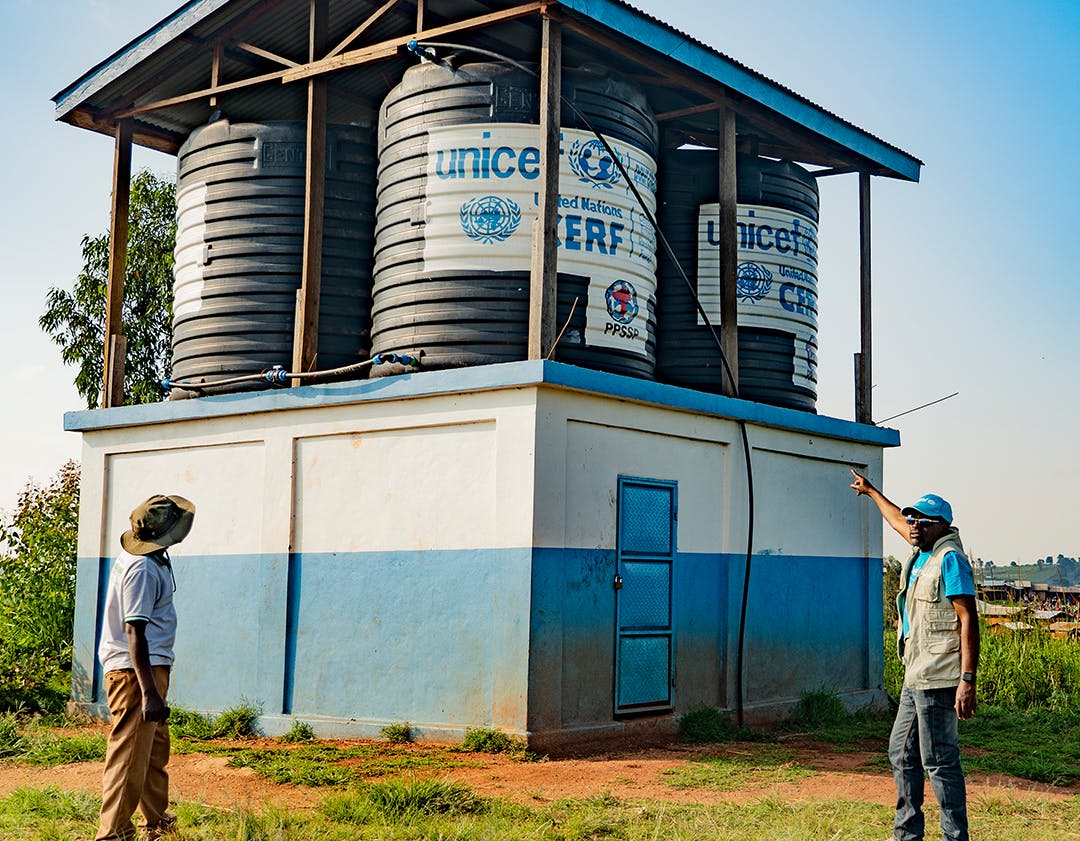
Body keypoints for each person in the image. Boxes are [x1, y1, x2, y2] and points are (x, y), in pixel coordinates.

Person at [850, 469, 979, 841]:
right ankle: (907, 834)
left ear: (942, 525)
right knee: (901, 754)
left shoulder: (949, 559)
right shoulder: (921, 554)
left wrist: (967, 680)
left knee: (939, 762)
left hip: (939, 677)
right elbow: (894, 519)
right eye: (912, 518)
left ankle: (955, 837)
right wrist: (872, 491)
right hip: (915, 674)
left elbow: (968, 619)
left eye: (922, 520)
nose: (914, 524)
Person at [95, 494, 195, 841]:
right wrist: (149, 691)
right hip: (137, 673)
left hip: (147, 670)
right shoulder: (141, 568)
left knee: (153, 750)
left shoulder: (149, 559)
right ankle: (113, 834)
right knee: (131, 753)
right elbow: (134, 630)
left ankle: (157, 823)